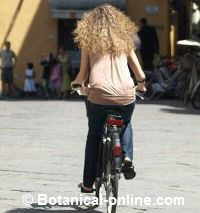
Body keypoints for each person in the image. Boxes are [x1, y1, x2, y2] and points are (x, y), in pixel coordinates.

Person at [72, 4, 146, 193]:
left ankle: (88, 184)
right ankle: (127, 157)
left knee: (94, 135)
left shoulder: (88, 41)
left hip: (98, 93)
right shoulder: (124, 40)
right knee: (126, 123)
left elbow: (83, 74)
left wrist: (76, 85)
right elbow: (139, 72)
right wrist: (141, 84)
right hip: (126, 93)